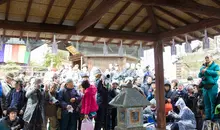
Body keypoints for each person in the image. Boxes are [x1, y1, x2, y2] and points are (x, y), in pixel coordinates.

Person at [198, 54, 219, 120]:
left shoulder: (216, 66)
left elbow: (217, 73)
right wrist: (202, 70)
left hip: (213, 86)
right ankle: (208, 116)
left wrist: (207, 71)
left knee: (212, 102)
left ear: (211, 58)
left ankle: (213, 117)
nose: (206, 59)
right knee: (206, 103)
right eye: (205, 58)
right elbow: (199, 75)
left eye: (208, 57)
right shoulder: (204, 66)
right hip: (205, 86)